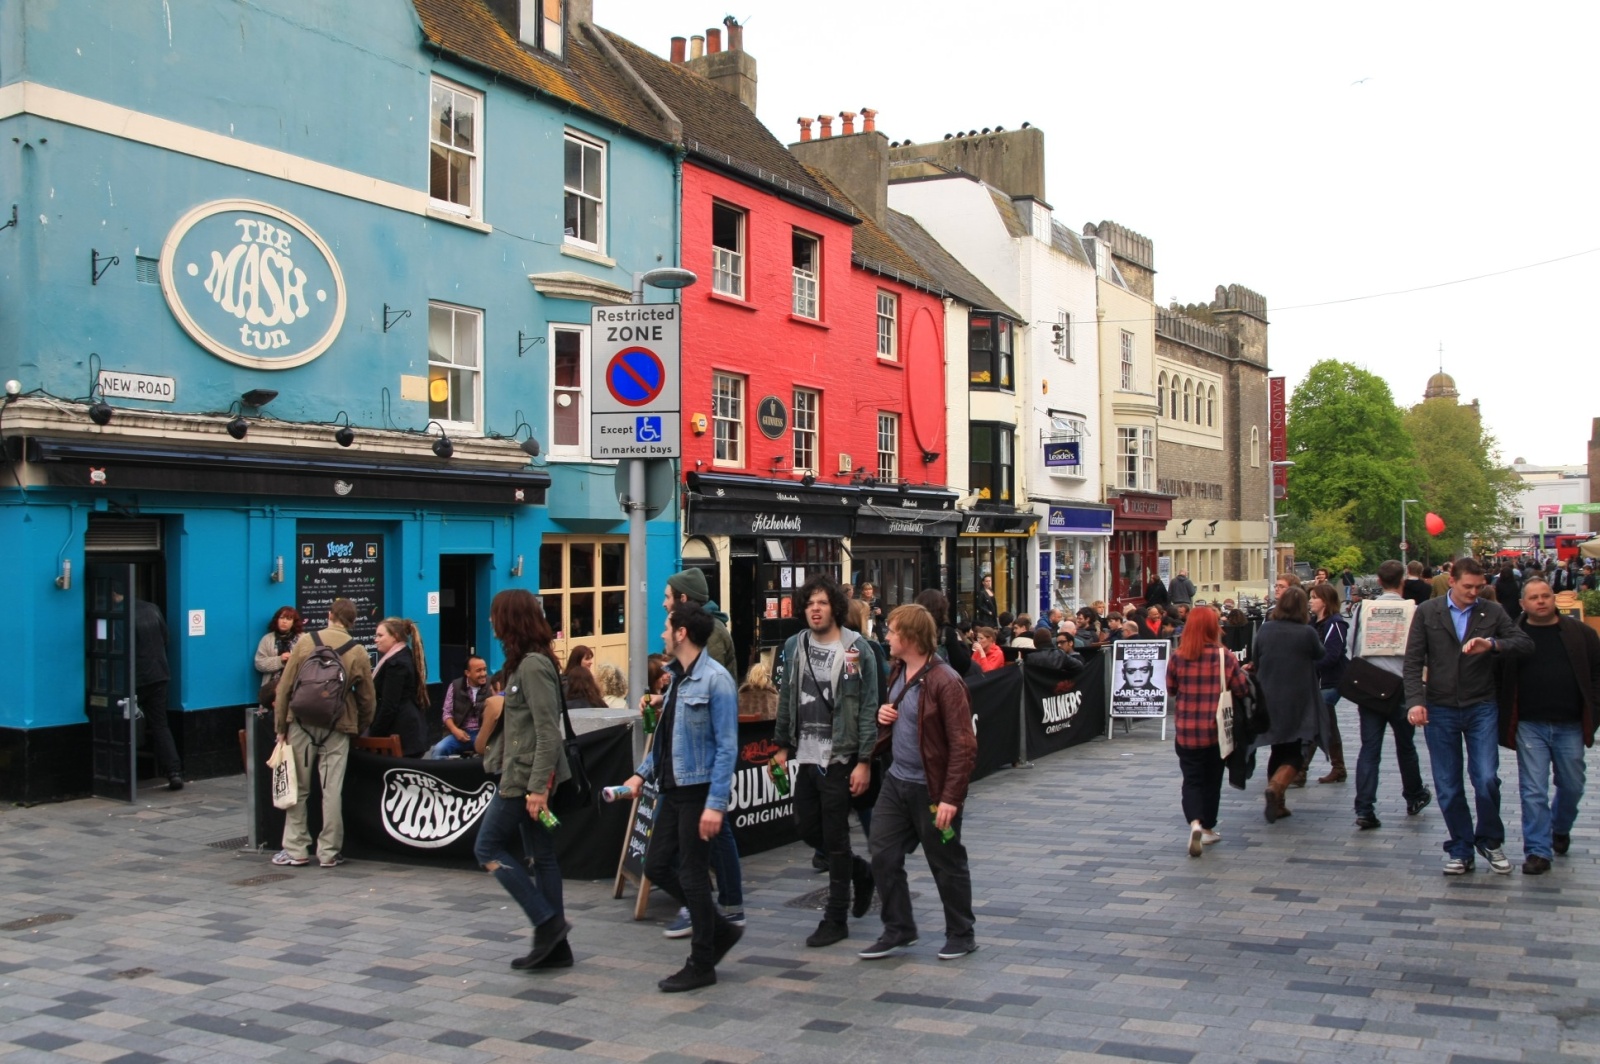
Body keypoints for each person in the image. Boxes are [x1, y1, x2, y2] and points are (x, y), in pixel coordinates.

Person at [618, 607, 742, 992]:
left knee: (691, 873)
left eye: (666, 627)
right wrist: (641, 775)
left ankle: (702, 960)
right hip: (672, 789)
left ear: (682, 632)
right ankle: (718, 928)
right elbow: (668, 740)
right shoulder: (677, 679)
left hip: (698, 789)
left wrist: (715, 804)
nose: (661, 634)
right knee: (656, 865)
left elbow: (727, 748)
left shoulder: (716, 681)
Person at [862, 603, 979, 961]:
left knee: (945, 860)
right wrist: (885, 716)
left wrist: (950, 798)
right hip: (897, 782)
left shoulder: (946, 681)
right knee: (882, 853)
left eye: (892, 631)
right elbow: (897, 722)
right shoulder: (898, 671)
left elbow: (963, 745)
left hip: (932, 789)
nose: (886, 636)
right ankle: (899, 928)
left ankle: (961, 933)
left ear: (910, 637)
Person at [1404, 557, 1533, 875]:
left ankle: (1489, 839)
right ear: (1452, 581)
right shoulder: (1428, 611)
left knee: (1486, 777)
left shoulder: (1492, 611)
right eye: (1467, 587)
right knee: (1448, 784)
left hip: (1481, 705)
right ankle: (1460, 847)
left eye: (1479, 587)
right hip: (1440, 706)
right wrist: (1415, 702)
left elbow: (1523, 643)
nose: (1474, 593)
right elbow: (1412, 660)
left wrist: (1492, 644)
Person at [773, 575, 880, 948]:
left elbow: (867, 706)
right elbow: (788, 696)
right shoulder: (795, 645)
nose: (814, 609)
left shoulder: (856, 649)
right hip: (806, 756)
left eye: (821, 602)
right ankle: (861, 872)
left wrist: (864, 760)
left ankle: (836, 918)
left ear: (835, 606)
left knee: (835, 838)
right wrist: (783, 744)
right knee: (807, 829)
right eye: (808, 604)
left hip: (840, 757)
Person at [475, 589, 572, 970]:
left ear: (510, 620)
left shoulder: (532, 666)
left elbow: (548, 731)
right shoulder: (526, 662)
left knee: (486, 848)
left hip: (525, 778)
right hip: (526, 774)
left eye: (495, 615)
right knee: (542, 855)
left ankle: (547, 921)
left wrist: (536, 788)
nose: (490, 622)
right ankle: (555, 948)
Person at [1497, 577, 1600, 874]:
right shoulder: (1513, 635)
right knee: (1533, 790)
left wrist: (1594, 711)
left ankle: (1559, 826)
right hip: (1530, 724)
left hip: (1570, 723)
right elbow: (1498, 676)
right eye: (1534, 597)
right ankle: (1538, 851)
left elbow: (1596, 673)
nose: (1541, 601)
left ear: (1554, 599)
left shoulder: (1580, 633)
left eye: (1546, 596)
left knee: (1573, 784)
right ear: (1522, 604)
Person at [272, 598, 375, 867]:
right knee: (331, 790)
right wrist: (359, 726)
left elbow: (285, 687)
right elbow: (367, 699)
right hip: (337, 726)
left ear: (329, 615)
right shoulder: (358, 651)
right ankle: (329, 852)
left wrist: (281, 727)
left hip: (301, 724)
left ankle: (296, 849)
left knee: (300, 789)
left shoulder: (306, 641)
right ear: (353, 622)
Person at [1348, 561, 1431, 829]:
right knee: (1406, 746)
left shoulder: (1363, 609)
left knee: (1369, 748)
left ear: (1380, 582)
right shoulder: (1413, 610)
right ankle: (1414, 795)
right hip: (1403, 685)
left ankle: (1364, 807)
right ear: (1402, 582)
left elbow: (1353, 647)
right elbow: (1421, 650)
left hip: (1371, 685)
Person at [1166, 607, 1249, 856]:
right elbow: (1241, 688)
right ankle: (1208, 827)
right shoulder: (1224, 656)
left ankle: (1194, 822)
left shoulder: (1178, 656)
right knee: (1212, 781)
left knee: (1191, 779)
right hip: (1215, 731)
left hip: (1186, 730)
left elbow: (1170, 689)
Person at [1251, 586, 1324, 822]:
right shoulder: (1306, 632)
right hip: (1297, 698)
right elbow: (1320, 654)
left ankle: (1278, 802)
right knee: (1295, 749)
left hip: (1268, 695)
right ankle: (1277, 786)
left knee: (1277, 747)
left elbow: (1255, 658)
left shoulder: (1266, 629)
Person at [113, 588, 182, 790]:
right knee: (160, 725)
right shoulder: (152, 609)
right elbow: (165, 638)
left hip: (133, 677)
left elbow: (118, 648)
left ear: (113, 595)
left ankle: (125, 773)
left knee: (126, 724)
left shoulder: (119, 613)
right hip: (159, 674)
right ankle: (174, 772)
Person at [369, 617, 429, 758]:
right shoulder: (403, 656)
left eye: (380, 635)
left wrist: (374, 734)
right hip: (408, 732)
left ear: (395, 637)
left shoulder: (397, 663)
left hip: (403, 735)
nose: (376, 640)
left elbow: (390, 704)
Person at [1308, 583, 1350, 784]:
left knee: (1319, 719)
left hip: (1332, 680)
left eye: (1314, 597)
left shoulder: (1335, 623)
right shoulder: (1313, 622)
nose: (1310, 600)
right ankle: (1338, 766)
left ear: (1324, 601)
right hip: (1317, 681)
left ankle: (1299, 769)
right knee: (1326, 722)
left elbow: (1332, 655)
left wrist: (1308, 664)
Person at [664, 569, 737, 676]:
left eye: (667, 597)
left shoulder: (711, 630)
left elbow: (708, 681)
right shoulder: (692, 627)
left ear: (683, 598)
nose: (664, 604)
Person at [426, 655, 488, 759]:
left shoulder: (492, 685)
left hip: (485, 734)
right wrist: (455, 730)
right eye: (478, 670)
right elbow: (447, 713)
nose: (483, 674)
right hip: (461, 733)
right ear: (467, 673)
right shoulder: (455, 686)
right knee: (438, 750)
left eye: (485, 670)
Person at [255, 606, 303, 708]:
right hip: (272, 691)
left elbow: (310, 663)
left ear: (294, 622)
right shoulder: (267, 639)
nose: (284, 621)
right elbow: (259, 663)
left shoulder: (303, 639)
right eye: (281, 618)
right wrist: (279, 660)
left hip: (296, 688)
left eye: (289, 619)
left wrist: (294, 660)